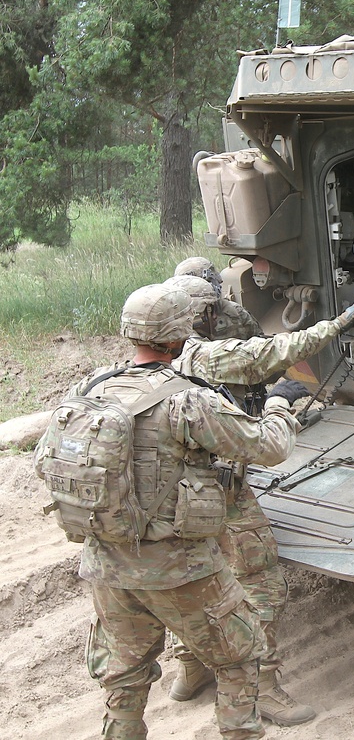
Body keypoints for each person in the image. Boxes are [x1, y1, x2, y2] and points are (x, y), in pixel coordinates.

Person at [35, 282, 303, 740]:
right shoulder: (188, 399)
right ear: (181, 336)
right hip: (178, 567)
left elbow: (50, 458)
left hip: (106, 565)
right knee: (240, 656)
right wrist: (279, 405)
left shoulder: (89, 387)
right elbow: (268, 446)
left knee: (124, 674)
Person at [162, 274, 354, 725]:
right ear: (201, 314)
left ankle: (191, 668)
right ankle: (263, 690)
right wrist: (339, 324)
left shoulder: (150, 362)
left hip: (171, 497)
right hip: (218, 490)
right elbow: (271, 356)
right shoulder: (206, 355)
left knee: (191, 581)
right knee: (261, 586)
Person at [174, 257, 262, 339]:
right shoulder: (175, 326)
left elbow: (259, 341)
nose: (219, 282)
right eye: (211, 280)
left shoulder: (235, 311)